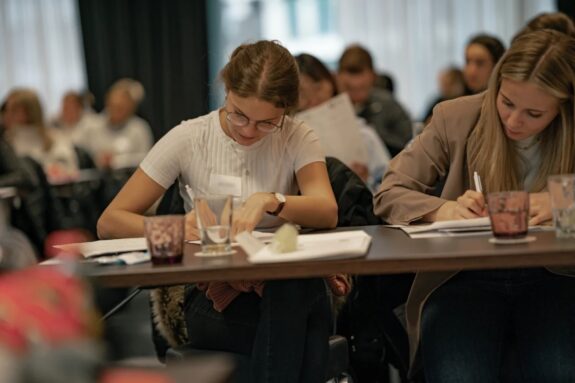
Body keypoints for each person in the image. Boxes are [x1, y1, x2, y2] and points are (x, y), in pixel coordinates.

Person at [98, 40, 342, 382]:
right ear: (226, 91)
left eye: (266, 123)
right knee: (307, 330)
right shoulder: (190, 138)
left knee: (292, 289)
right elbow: (110, 222)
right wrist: (179, 228)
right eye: (239, 114)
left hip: (283, 290)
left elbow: (326, 209)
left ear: (285, 111)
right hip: (214, 299)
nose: (248, 130)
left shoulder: (297, 136)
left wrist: (272, 200)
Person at [374, 30, 575, 382]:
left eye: (533, 113)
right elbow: (389, 190)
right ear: (497, 83)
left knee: (557, 370)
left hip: (556, 275)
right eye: (507, 102)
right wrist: (442, 210)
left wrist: (564, 198)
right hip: (464, 276)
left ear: (563, 107)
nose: (514, 122)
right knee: (459, 375)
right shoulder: (457, 116)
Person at [295, 53, 391, 190]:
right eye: (302, 94)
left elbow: (387, 180)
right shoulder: (288, 140)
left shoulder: (362, 132)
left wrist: (366, 178)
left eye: (317, 88)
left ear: (331, 82)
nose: (313, 99)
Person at [337, 45, 412, 157]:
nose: (356, 90)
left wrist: (373, 135)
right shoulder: (332, 108)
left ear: (373, 77)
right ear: (338, 79)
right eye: (349, 88)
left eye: (362, 87)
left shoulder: (388, 104)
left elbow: (409, 144)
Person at [3, 88, 80, 184]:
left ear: (30, 111)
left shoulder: (55, 137)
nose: (8, 114)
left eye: (14, 110)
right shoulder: (6, 142)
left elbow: (70, 168)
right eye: (7, 110)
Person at [82, 79, 153, 169]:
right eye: (113, 106)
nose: (115, 111)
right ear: (107, 102)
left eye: (121, 108)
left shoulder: (140, 128)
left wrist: (117, 160)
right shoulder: (92, 126)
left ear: (131, 108)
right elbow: (83, 152)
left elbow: (147, 159)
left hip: (130, 177)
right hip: (97, 179)